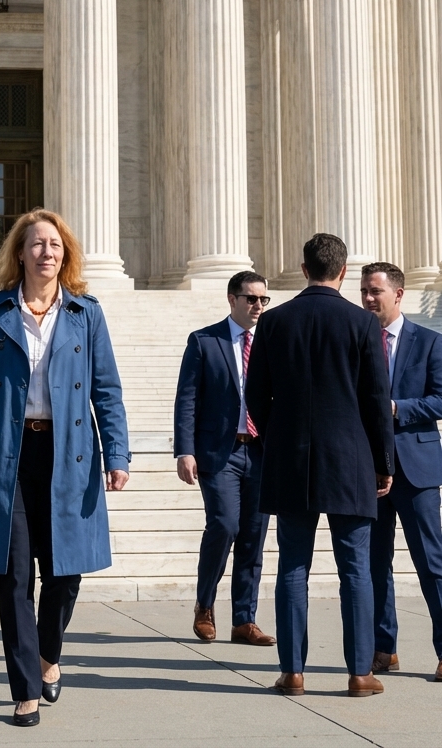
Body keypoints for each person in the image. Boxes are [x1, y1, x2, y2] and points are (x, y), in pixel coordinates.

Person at [0, 208, 130, 727]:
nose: (46, 252)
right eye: (36, 244)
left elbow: (106, 389)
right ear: (20, 253)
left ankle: (49, 655)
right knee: (11, 577)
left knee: (65, 575)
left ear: (65, 254)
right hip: (5, 457)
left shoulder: (85, 314)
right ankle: (25, 688)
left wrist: (117, 453)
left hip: (68, 455)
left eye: (54, 244)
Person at [246, 233, 394, 697]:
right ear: (344, 271)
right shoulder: (362, 323)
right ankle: (359, 673)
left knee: (292, 567)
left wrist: (277, 438)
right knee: (356, 570)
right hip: (351, 459)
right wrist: (383, 460)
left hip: (290, 458)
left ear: (304, 268)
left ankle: (292, 671)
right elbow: (376, 399)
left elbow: (254, 396)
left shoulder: (272, 322)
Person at [174, 270, 276, 646]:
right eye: (252, 299)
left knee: (254, 535)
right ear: (232, 299)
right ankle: (205, 604)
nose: (259, 306)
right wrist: (185, 450)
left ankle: (244, 620)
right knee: (224, 524)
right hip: (220, 453)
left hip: (261, 452)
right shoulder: (204, 341)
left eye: (264, 300)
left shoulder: (272, 342)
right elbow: (187, 399)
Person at [361, 262, 442, 679]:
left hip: (416, 470)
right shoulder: (357, 342)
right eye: (363, 291)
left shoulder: (429, 342)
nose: (368, 299)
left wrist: (396, 408)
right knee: (376, 565)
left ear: (399, 294)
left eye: (375, 291)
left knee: (432, 563)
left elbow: (440, 400)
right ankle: (383, 649)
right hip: (369, 470)